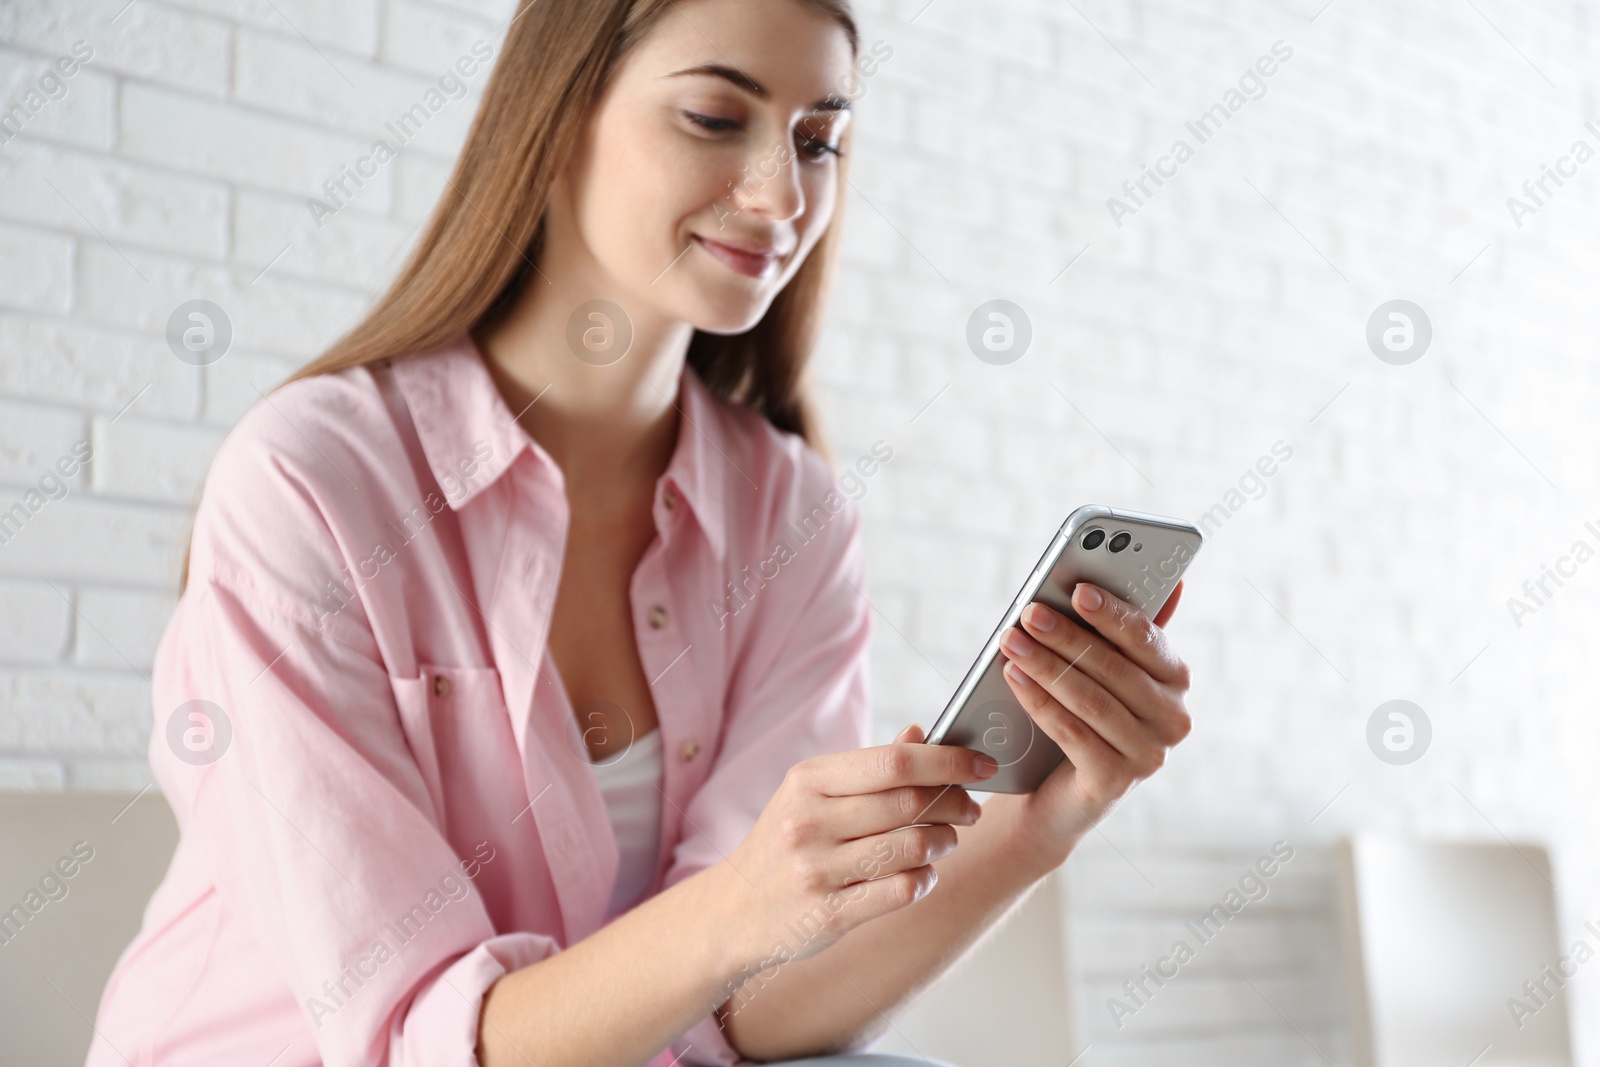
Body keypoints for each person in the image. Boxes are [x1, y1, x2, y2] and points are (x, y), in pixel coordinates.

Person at [86, 0, 1193, 1064]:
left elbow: (737, 1006)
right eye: (715, 118)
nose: (779, 196)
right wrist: (738, 901)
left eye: (819, 141)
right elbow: (408, 1041)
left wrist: (1037, 828)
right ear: (560, 117)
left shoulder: (787, 518)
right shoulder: (310, 482)